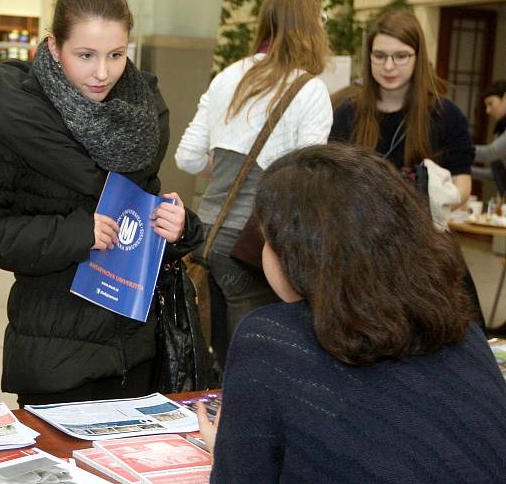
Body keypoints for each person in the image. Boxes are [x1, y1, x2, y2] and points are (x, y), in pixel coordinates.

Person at [0, 0, 203, 406]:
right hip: (57, 359)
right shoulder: (16, 121)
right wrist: (75, 235)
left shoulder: (139, 119)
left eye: (116, 55)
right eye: (85, 55)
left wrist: (181, 228)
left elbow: (139, 217)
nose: (103, 72)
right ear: (53, 47)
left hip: (137, 351)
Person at [196, 144, 506, 482]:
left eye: (267, 240)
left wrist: (224, 454)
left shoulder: (271, 340)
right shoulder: (462, 328)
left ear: (298, 253)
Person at [174, 0, 333, 368]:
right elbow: (306, 180)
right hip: (255, 248)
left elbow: (188, 158)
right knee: (257, 360)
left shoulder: (229, 76)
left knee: (214, 349)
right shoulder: (309, 91)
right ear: (313, 25)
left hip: (205, 236)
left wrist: (227, 171)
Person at [330, 11, 484, 325]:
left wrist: (431, 192)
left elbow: (463, 188)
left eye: (401, 56)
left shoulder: (444, 115)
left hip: (425, 250)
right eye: (380, 56)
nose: (389, 66)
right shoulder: (348, 114)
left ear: (418, 57)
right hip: (361, 251)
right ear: (369, 57)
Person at [473, 80, 506, 194]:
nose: (487, 110)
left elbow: (490, 153)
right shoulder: (501, 129)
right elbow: (495, 174)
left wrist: (456, 150)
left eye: (490, 103)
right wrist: (460, 168)